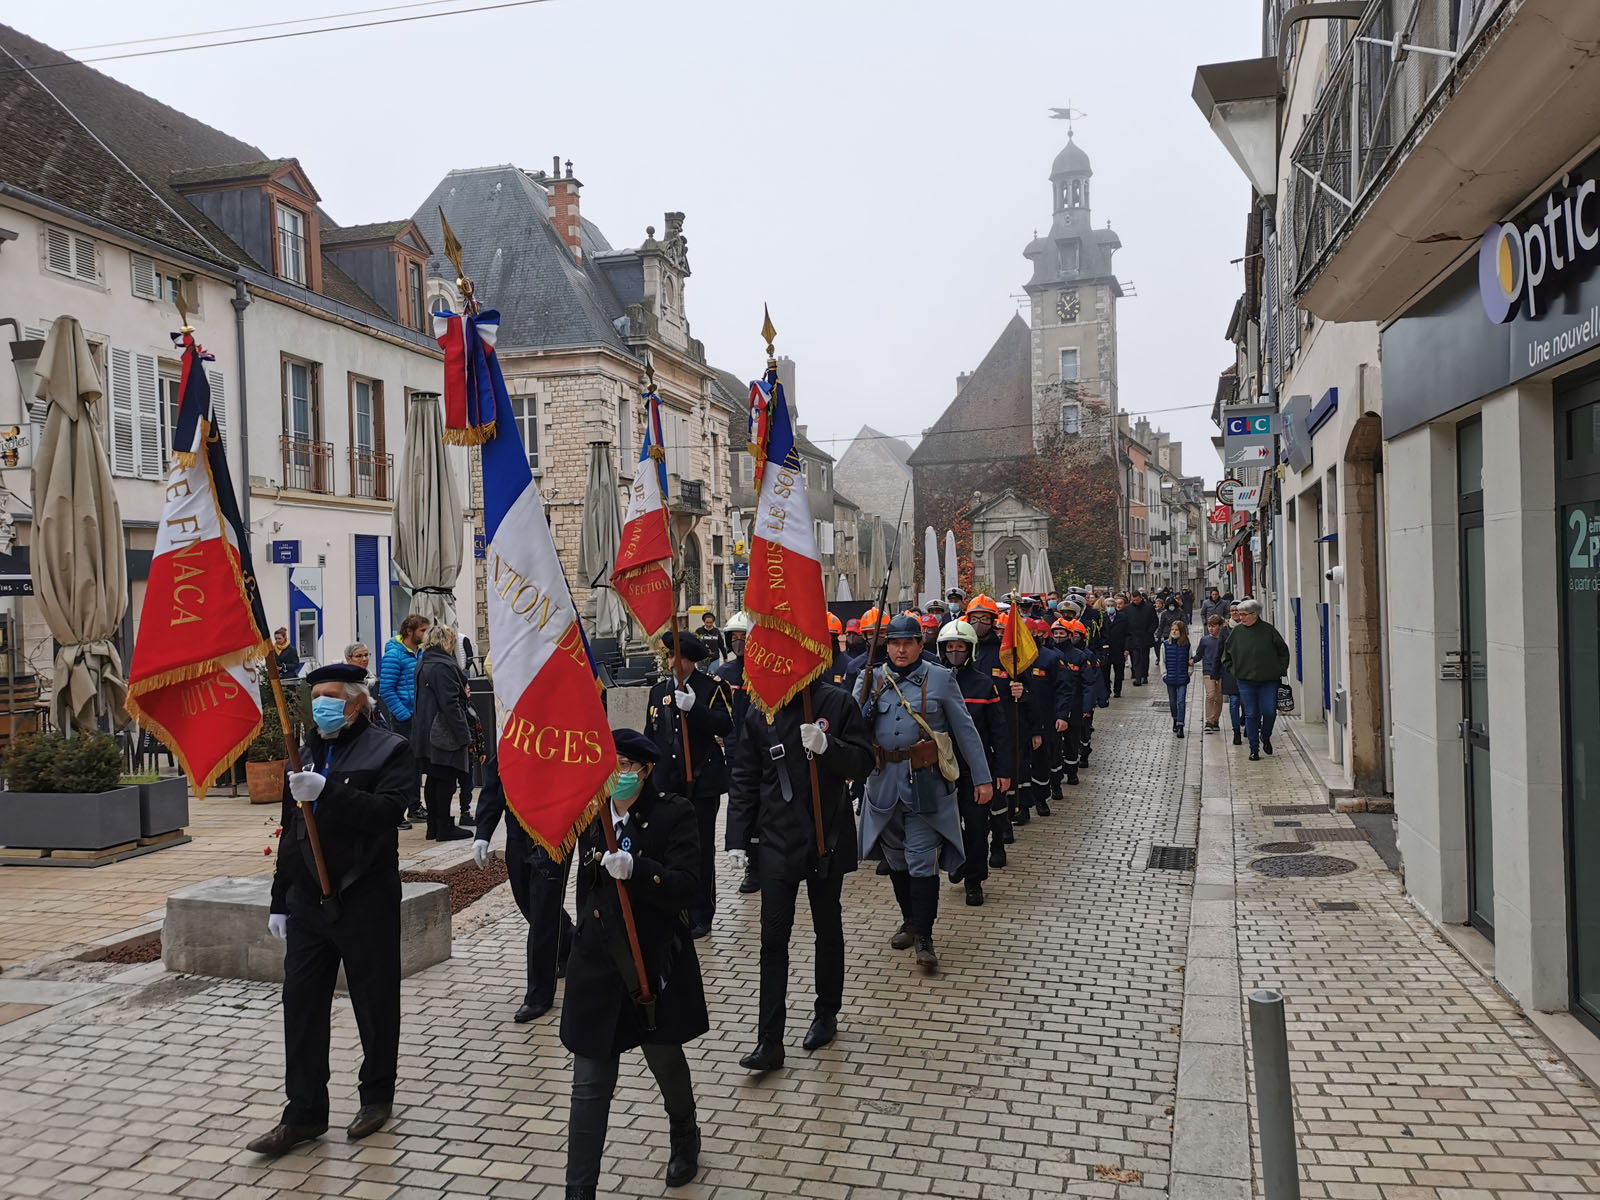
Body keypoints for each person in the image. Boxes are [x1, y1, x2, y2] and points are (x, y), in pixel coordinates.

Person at [249, 662, 411, 1156]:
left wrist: (329, 792)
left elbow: (389, 813)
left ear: (357, 701)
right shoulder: (304, 751)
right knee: (300, 1005)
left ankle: (376, 1096)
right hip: (307, 903)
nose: (320, 704)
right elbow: (291, 832)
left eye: (331, 696)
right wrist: (280, 899)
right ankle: (303, 1113)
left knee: (374, 1002)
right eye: (315, 695)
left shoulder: (390, 749)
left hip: (365, 896)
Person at [562, 729, 706, 1196]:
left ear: (644, 771)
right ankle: (579, 1189)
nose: (615, 774)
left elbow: (688, 885)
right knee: (589, 1085)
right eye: (609, 765)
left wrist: (639, 870)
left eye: (623, 766)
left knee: (665, 1060)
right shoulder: (592, 813)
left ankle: (684, 1131)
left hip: (651, 962)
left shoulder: (673, 813)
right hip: (598, 964)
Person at [726, 665, 874, 1071]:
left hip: (827, 833)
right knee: (773, 940)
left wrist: (829, 746)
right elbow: (744, 776)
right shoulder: (760, 709)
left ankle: (826, 1012)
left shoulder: (837, 703)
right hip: (777, 838)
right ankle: (769, 1040)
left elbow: (864, 762)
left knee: (827, 928)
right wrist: (737, 836)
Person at [859, 613, 993, 970]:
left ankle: (924, 934)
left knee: (922, 860)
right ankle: (909, 920)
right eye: (894, 643)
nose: (900, 650)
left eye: (908, 643)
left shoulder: (941, 679)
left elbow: (966, 731)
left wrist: (982, 779)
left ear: (921, 645)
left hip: (926, 785)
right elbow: (852, 728)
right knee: (897, 861)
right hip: (883, 786)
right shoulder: (871, 677)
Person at [472, 753, 572, 1022]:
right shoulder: (514, 739)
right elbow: (495, 785)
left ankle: (539, 995)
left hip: (553, 834)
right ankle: (568, 942)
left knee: (543, 912)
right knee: (526, 901)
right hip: (517, 832)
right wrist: (483, 833)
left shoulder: (562, 737)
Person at [647, 634, 734, 937]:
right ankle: (673, 907)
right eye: (669, 656)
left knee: (700, 850)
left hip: (701, 784)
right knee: (665, 848)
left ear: (689, 659)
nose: (671, 662)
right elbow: (651, 737)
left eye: (676, 656)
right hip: (667, 784)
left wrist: (695, 708)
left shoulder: (712, 687)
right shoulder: (658, 692)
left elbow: (725, 725)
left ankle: (701, 912)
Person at [938, 619, 1011, 905]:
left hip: (976, 771)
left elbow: (1000, 731)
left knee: (978, 826)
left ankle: (974, 880)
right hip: (942, 769)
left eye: (960, 647)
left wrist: (1002, 771)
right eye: (950, 648)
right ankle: (957, 861)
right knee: (948, 824)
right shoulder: (934, 682)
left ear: (971, 650)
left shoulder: (984, 685)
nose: (955, 652)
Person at [411, 624, 475, 841]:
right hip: (443, 731)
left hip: (425, 728)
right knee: (446, 778)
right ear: (448, 642)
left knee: (434, 778)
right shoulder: (443, 665)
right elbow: (450, 704)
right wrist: (464, 735)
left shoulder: (423, 662)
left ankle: (434, 826)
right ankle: (445, 827)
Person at [716, 613, 759, 897]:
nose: (739, 642)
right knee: (742, 807)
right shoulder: (724, 673)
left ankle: (763, 862)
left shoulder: (766, 671)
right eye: (734, 638)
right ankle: (750, 864)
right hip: (734, 754)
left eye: (744, 637)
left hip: (763, 752)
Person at [1221, 598, 1291, 760]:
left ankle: (1265, 736)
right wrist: (1235, 671)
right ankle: (1254, 748)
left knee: (1269, 712)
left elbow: (1283, 651)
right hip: (1245, 681)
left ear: (1255, 614)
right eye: (1240, 615)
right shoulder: (1237, 633)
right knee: (1251, 714)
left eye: (1244, 615)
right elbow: (1226, 655)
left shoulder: (1268, 630)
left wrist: (1280, 669)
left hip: (1268, 680)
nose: (1241, 618)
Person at [379, 614, 429, 821]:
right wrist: (404, 714)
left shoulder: (421, 653)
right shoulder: (394, 655)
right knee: (405, 764)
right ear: (409, 631)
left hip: (419, 715)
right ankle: (403, 808)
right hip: (405, 718)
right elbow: (386, 689)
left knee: (416, 763)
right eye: (422, 630)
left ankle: (415, 806)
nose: (425, 634)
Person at [1194, 616, 1226, 733]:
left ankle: (1215, 720)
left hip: (1221, 671)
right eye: (1209, 626)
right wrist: (1192, 660)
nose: (1210, 629)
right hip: (1208, 670)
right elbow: (1199, 654)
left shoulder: (1224, 639)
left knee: (1218, 697)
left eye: (1213, 626)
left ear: (1220, 626)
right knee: (1210, 695)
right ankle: (1209, 720)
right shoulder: (1205, 640)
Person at [1163, 619, 1192, 737]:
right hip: (1170, 677)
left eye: (1176, 630)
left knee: (1181, 701)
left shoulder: (1186, 644)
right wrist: (1164, 674)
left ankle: (1181, 725)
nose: (1174, 632)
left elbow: (1190, 658)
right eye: (1172, 629)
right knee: (1173, 702)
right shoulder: (1165, 644)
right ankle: (1175, 718)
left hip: (1182, 677)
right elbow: (1163, 661)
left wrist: (1190, 671)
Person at [1124, 591, 1158, 686]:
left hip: (1145, 637)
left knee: (1144, 658)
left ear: (1140, 598)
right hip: (1133, 637)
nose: (1135, 602)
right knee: (1135, 658)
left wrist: (1149, 632)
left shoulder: (1149, 607)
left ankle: (1144, 675)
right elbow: (1126, 622)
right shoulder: (1128, 609)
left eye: (1136, 600)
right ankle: (1138, 677)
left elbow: (1154, 621)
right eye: (1133, 600)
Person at [1101, 594, 1128, 698]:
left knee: (1119, 672)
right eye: (1108, 606)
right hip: (1106, 649)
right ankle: (1106, 690)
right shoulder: (1102, 617)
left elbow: (1127, 633)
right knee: (1105, 671)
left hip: (1119, 648)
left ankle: (1117, 690)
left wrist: (1126, 648)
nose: (1110, 608)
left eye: (1112, 605)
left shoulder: (1123, 617)